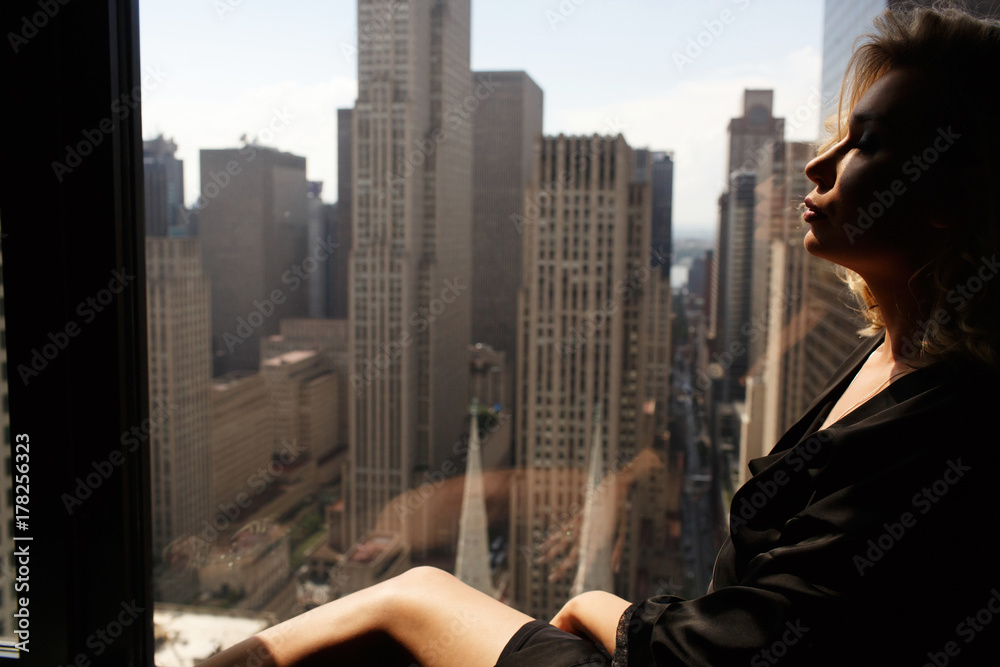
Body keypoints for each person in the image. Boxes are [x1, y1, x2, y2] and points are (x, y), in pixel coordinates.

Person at [198, 4, 1000, 666]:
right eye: (838, 136)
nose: (819, 165)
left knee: (412, 598)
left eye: (867, 143)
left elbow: (772, 637)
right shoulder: (891, 360)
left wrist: (605, 608)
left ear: (951, 196)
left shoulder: (949, 418)